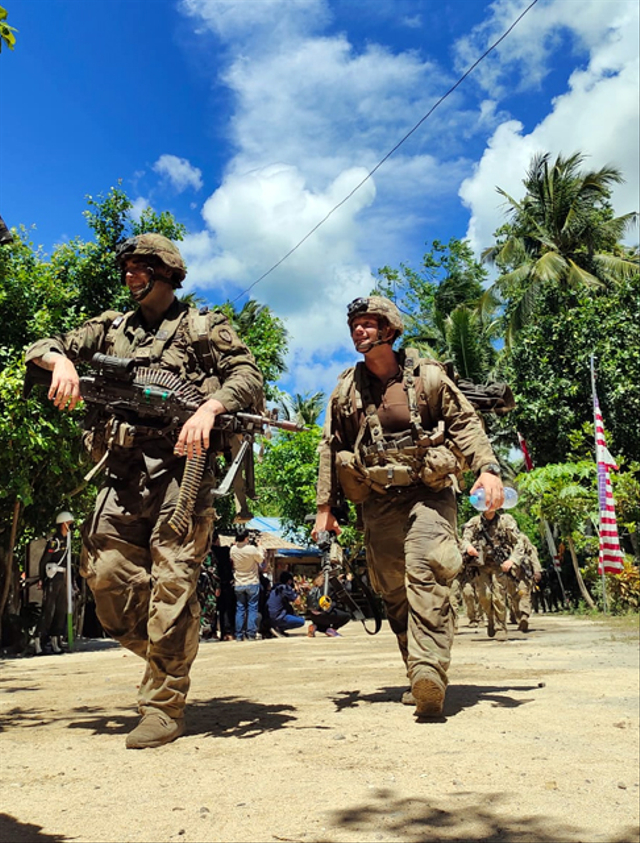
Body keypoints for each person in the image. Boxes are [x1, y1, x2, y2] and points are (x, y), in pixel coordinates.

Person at [25, 233, 264, 748]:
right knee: (107, 582)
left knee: (174, 584)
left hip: (184, 471)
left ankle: (162, 706)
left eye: (140, 268)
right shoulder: (110, 328)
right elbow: (44, 346)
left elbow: (247, 375)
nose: (130, 277)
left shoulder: (204, 326)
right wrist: (60, 361)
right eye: (126, 269)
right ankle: (171, 654)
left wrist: (210, 408)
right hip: (123, 474)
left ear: (166, 272)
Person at [313, 295, 504, 718]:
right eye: (354, 324)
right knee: (392, 588)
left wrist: (488, 469)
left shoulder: (427, 377)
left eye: (368, 323)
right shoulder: (347, 388)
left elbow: (466, 422)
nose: (358, 330)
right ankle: (415, 671)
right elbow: (332, 446)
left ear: (390, 330)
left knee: (428, 566)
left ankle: (429, 669)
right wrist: (326, 507)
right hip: (378, 499)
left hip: (429, 491)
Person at [461, 506, 523, 641]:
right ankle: (490, 620)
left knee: (498, 596)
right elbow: (464, 540)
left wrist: (512, 560)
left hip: (500, 565)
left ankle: (501, 627)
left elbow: (519, 542)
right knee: (484, 596)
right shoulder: (474, 522)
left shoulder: (506, 521)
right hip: (481, 564)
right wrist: (469, 547)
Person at [34, 511, 75, 656]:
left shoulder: (68, 540)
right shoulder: (55, 541)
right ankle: (38, 640)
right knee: (49, 610)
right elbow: (44, 560)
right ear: (63, 524)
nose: (71, 526)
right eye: (69, 523)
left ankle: (55, 640)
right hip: (53, 577)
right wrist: (41, 579)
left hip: (64, 577)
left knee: (61, 610)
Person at [504, 533, 542, 633]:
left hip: (524, 572)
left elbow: (532, 554)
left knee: (524, 593)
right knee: (513, 597)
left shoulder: (522, 538)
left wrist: (537, 570)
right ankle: (518, 616)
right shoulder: (499, 537)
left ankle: (524, 615)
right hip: (509, 573)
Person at [230, 529, 264, 641]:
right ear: (246, 538)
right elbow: (260, 559)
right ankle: (251, 634)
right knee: (252, 608)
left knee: (240, 609)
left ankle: (239, 634)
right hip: (252, 581)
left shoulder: (233, 550)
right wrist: (260, 547)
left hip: (239, 582)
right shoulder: (251, 549)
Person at [306, 571, 351, 637]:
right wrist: (348, 581)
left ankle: (314, 626)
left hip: (313, 616)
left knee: (324, 627)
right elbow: (347, 591)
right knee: (347, 616)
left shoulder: (315, 585)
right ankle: (333, 630)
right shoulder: (330, 584)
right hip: (325, 614)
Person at [210, 532, 236, 640]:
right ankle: (227, 632)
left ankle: (212, 632)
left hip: (209, 585)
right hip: (225, 584)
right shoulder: (225, 551)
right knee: (225, 609)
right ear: (217, 540)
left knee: (211, 609)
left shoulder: (206, 553)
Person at [267, 571, 306, 636]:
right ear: (289, 581)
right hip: (278, 617)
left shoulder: (276, 586)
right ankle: (279, 628)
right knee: (301, 621)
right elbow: (298, 602)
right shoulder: (285, 588)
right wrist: (298, 591)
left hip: (269, 616)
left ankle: (276, 628)